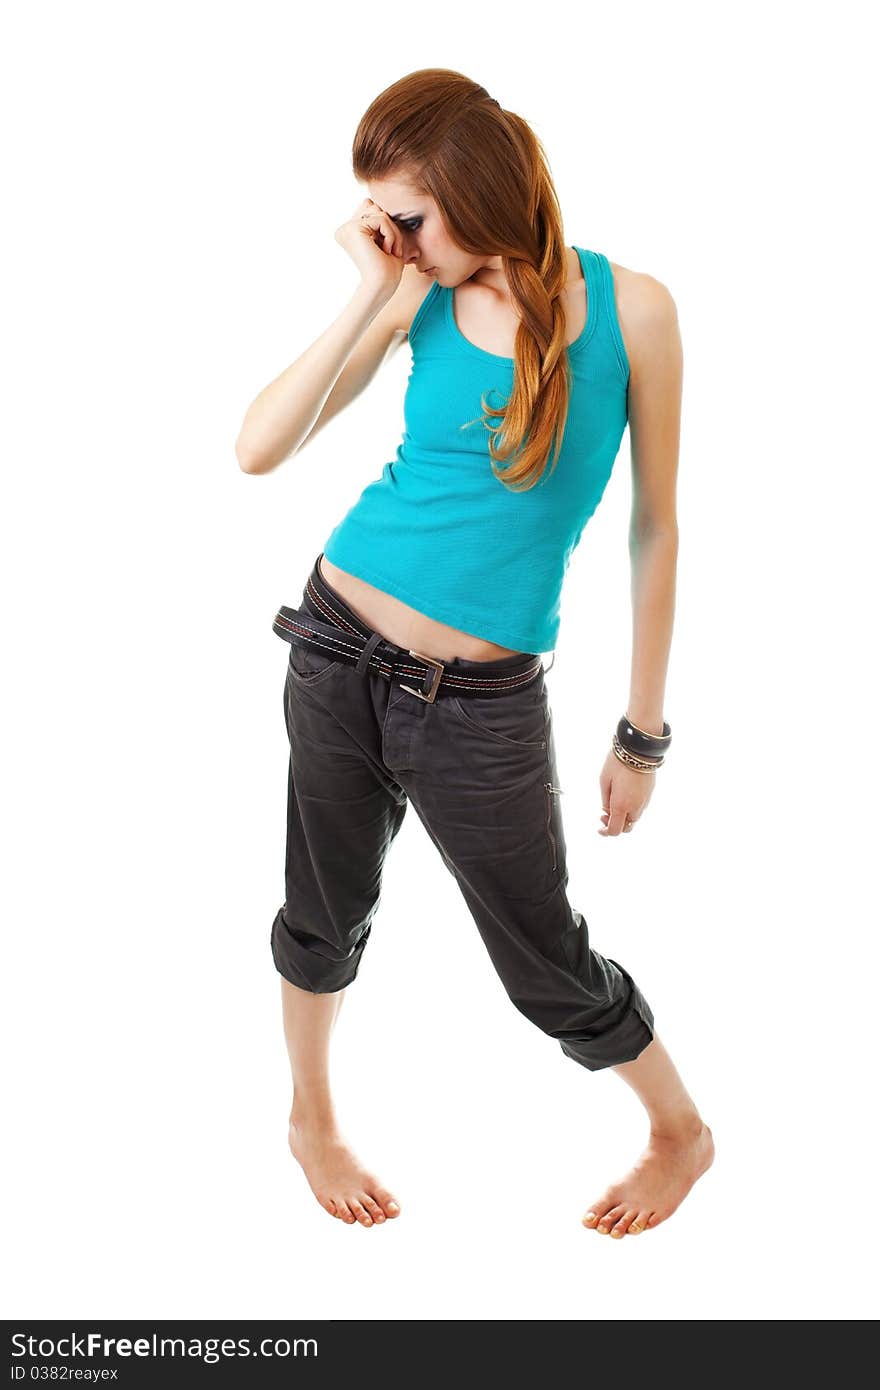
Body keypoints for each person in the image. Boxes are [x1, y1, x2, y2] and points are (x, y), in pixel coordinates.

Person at [236, 68, 714, 1237]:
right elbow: (256, 449)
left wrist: (641, 732)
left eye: (410, 216)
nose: (392, 237)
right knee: (322, 907)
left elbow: (654, 532)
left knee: (542, 954)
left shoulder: (635, 310)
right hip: (336, 643)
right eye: (379, 220)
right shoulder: (414, 299)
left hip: (481, 701)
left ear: (479, 189)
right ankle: (311, 1117)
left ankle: (681, 1131)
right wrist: (369, 290)